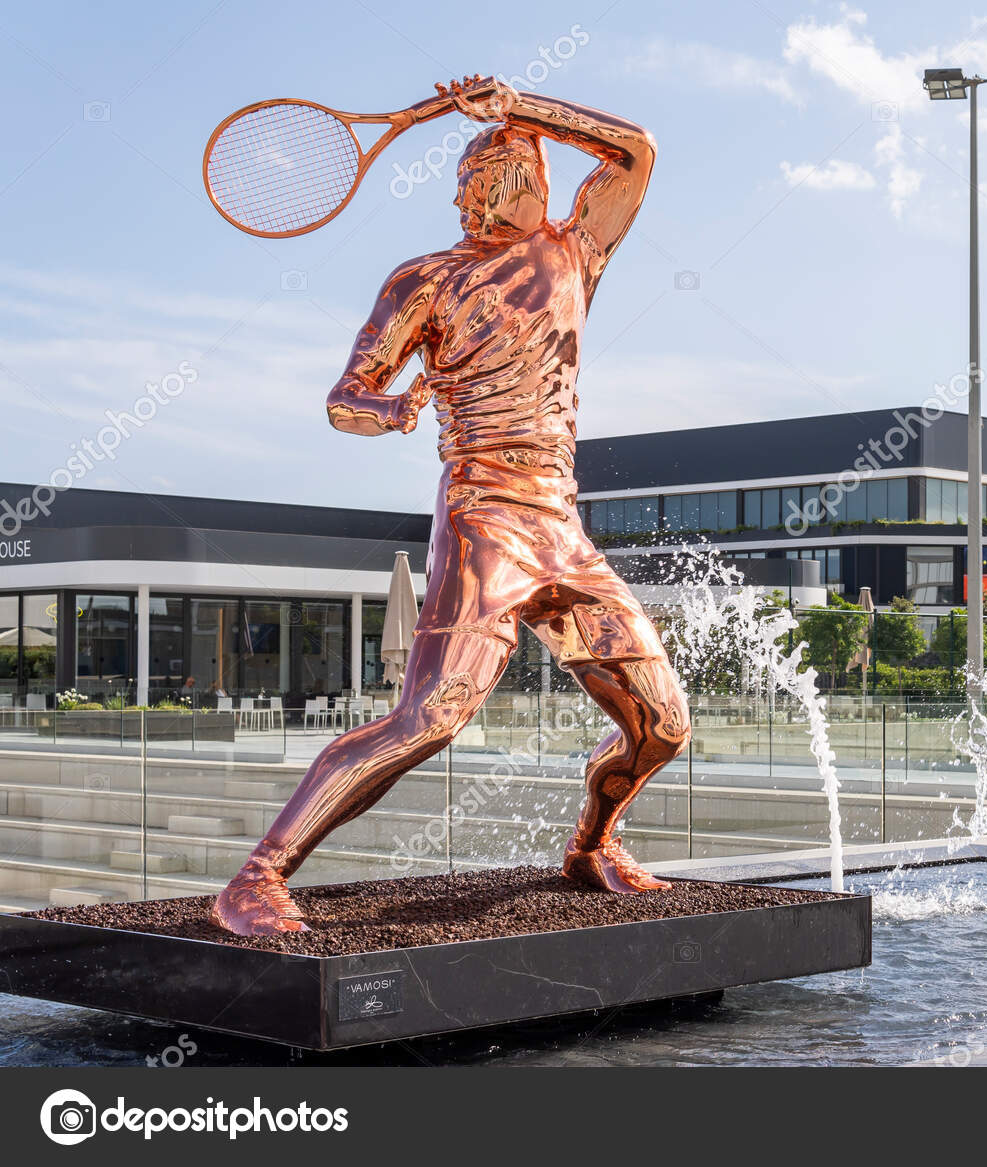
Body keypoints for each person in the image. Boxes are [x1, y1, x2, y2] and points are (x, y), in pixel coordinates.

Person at [212, 76, 685, 936]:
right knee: (431, 715)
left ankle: (590, 846)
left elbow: (637, 149)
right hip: (483, 518)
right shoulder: (425, 280)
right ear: (482, 191)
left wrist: (519, 103)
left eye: (529, 161)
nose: (526, 177)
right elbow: (345, 396)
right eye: (508, 165)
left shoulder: (573, 253)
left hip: (561, 527)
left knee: (662, 725)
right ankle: (257, 878)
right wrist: (388, 408)